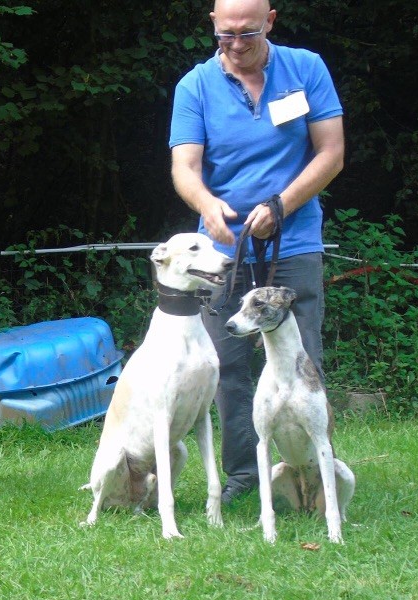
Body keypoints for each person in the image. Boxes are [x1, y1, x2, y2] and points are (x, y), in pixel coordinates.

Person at [169, 0, 344, 504]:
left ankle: (313, 473)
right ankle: (245, 476)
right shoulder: (194, 86)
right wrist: (207, 207)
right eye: (226, 36)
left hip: (294, 240)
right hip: (223, 250)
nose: (238, 45)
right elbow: (185, 167)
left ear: (270, 20)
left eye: (248, 33)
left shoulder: (306, 68)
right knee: (226, 367)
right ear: (212, 27)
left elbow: (331, 152)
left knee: (301, 361)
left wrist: (281, 206)